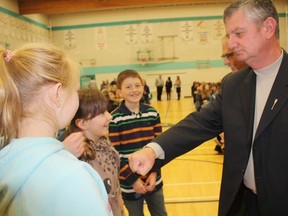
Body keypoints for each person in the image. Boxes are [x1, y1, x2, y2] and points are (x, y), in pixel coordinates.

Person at [128, 1, 287, 215]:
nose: (231, 44)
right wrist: (152, 151)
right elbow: (199, 123)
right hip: (243, 203)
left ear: (268, 27)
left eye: (238, 33)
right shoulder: (234, 84)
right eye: (229, 35)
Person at [0, 43, 112, 215]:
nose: (77, 96)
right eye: (76, 90)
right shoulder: (74, 178)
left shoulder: (7, 155)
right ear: (57, 94)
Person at [109, 69, 167, 216]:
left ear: (143, 87)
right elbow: (115, 156)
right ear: (119, 92)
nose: (134, 90)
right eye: (128, 87)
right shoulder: (114, 119)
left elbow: (159, 148)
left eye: (137, 85)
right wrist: (133, 180)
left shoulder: (153, 113)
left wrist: (154, 173)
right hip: (129, 185)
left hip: (154, 181)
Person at [63, 88, 126, 216]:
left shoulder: (104, 144)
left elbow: (115, 186)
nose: (110, 116)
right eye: (102, 113)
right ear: (82, 123)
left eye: (107, 110)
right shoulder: (79, 159)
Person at [214, 36, 248, 154]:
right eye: (224, 56)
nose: (225, 62)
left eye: (229, 55)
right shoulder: (230, 82)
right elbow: (204, 121)